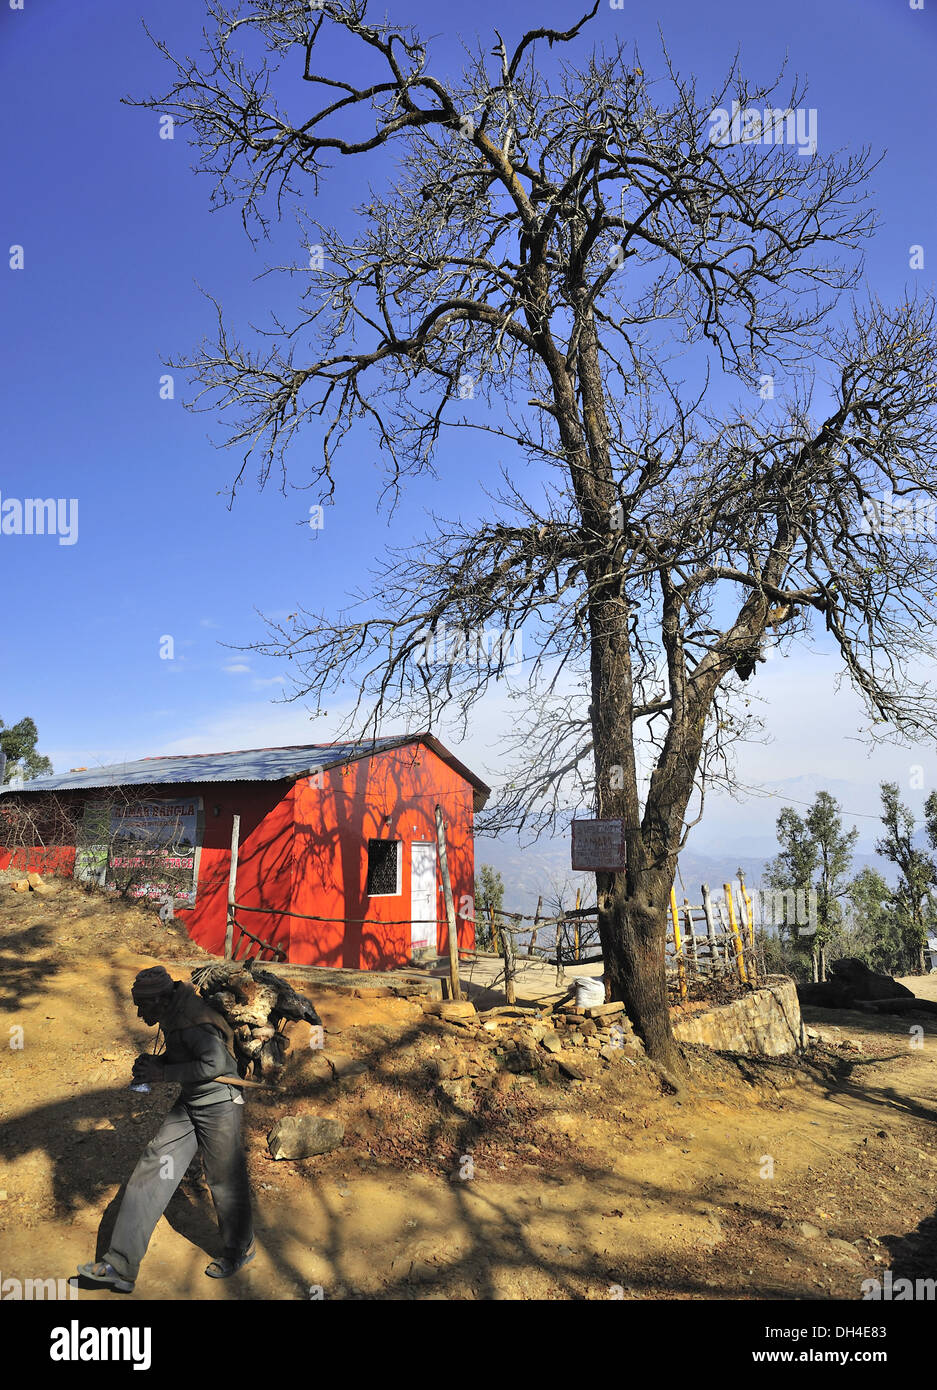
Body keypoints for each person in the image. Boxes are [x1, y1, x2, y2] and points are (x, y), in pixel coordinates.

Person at [78, 965, 255, 1292]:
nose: (138, 1011)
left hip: (220, 1105)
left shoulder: (193, 1021)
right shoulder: (171, 1013)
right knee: (153, 1168)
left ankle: (239, 1247)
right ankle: (120, 1264)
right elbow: (184, 1060)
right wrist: (157, 1063)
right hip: (191, 1101)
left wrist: (162, 1074)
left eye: (143, 1005)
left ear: (161, 1000)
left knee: (223, 1178)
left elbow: (213, 1064)